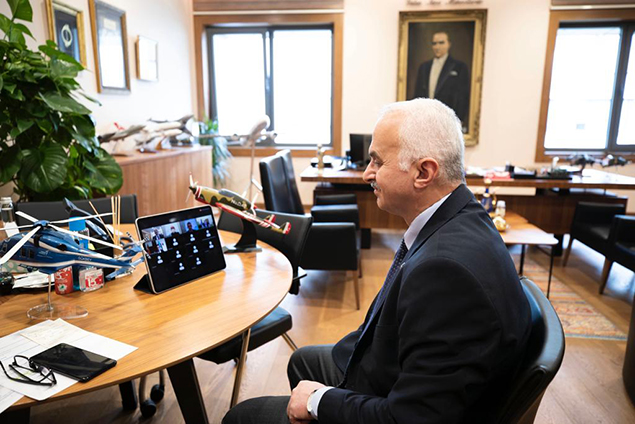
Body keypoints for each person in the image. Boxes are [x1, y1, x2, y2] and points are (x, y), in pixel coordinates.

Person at [223, 98, 531, 424]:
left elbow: (410, 418)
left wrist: (319, 402)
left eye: (377, 161)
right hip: (400, 370)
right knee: (302, 360)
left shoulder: (445, 273)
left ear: (423, 172)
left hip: (396, 403)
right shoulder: (465, 213)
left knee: (240, 417)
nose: (367, 173)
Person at [413, 31, 470, 131]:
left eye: (441, 42)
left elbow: (463, 97)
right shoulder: (424, 67)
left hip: (448, 122)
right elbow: (418, 94)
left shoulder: (459, 67)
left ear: (449, 44)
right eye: (434, 43)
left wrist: (458, 121)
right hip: (425, 121)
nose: (437, 46)